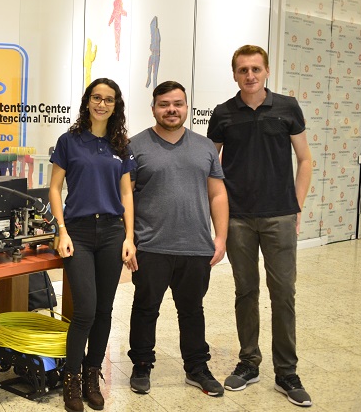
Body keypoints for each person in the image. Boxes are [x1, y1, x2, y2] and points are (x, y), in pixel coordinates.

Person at [207, 44, 313, 407]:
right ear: (234, 74)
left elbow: (304, 159)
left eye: (255, 69)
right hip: (238, 218)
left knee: (283, 294)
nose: (249, 75)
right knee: (245, 291)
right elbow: (211, 168)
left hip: (279, 217)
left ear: (266, 70)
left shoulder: (287, 107)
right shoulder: (223, 114)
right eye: (242, 70)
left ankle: (287, 372)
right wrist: (217, 216)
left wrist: (295, 206)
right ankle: (248, 362)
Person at [126, 81, 228, 397]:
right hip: (151, 245)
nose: (172, 109)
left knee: (192, 310)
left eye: (178, 104)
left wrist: (221, 237)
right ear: (154, 107)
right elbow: (124, 195)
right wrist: (128, 239)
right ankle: (141, 365)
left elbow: (217, 194)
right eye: (165, 104)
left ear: (186, 107)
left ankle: (197, 368)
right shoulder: (134, 146)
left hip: (195, 246)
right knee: (145, 309)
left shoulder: (205, 147)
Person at [49, 77, 138, 412]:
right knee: (85, 309)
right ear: (87, 102)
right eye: (97, 98)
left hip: (113, 233)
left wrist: (129, 237)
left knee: (104, 310)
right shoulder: (69, 141)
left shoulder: (121, 145)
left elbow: (127, 194)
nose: (102, 104)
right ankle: (71, 378)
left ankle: (92, 374)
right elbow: (55, 189)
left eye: (109, 99)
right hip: (80, 233)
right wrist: (61, 230)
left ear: (116, 106)